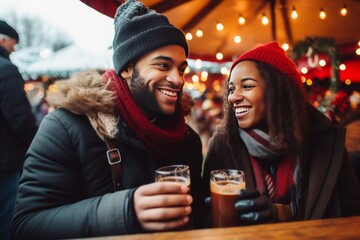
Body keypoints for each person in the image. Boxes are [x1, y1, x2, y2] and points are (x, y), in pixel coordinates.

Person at [12, 1, 203, 239]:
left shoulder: (187, 139)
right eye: (163, 65)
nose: (177, 79)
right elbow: (27, 225)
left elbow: (197, 215)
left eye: (182, 69)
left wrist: (240, 206)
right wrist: (124, 210)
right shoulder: (65, 128)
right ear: (127, 69)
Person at [201, 41, 360, 226]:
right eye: (231, 89)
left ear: (279, 91)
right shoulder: (223, 143)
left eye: (247, 86)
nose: (233, 97)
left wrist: (281, 213)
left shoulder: (327, 145)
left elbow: (353, 215)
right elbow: (205, 219)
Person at [0, 20, 38, 240]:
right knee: (9, 222)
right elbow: (21, 118)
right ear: (2, 40)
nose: (13, 49)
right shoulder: (6, 70)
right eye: (12, 44)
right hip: (5, 165)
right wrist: (39, 143)